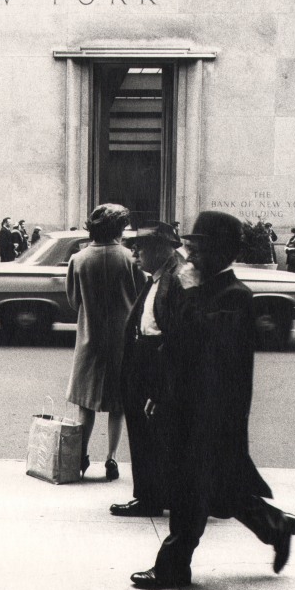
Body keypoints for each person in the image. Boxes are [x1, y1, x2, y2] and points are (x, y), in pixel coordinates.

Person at [130, 211, 295, 590]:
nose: (190, 257)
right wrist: (160, 392)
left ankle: (173, 567)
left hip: (212, 413)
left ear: (221, 253)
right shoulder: (199, 289)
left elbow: (203, 342)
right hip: (184, 405)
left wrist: (188, 291)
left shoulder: (235, 297)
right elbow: (173, 343)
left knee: (190, 489)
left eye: (198, 249)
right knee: (223, 488)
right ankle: (278, 526)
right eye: (190, 248)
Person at [110, 222, 184, 518]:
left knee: (153, 435)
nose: (134, 253)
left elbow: (178, 337)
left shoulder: (176, 279)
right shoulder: (157, 276)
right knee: (143, 434)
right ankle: (151, 495)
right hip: (143, 361)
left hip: (157, 362)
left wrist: (158, 386)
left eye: (140, 247)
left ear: (159, 249)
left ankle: (151, 498)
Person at [67, 204, 145, 480]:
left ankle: (82, 456)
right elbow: (141, 297)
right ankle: (111, 458)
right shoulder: (129, 258)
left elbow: (73, 300)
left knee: (85, 403)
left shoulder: (78, 259)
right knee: (118, 404)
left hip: (89, 338)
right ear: (119, 229)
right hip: (122, 340)